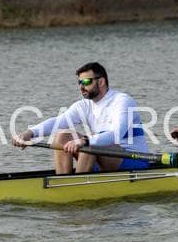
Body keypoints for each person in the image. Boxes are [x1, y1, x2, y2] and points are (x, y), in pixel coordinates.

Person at [12, 62, 149, 175]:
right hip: (100, 157)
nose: (82, 87)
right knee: (63, 135)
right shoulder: (84, 105)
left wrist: (85, 141)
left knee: (91, 143)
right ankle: (63, 181)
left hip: (132, 160)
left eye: (86, 82)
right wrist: (29, 133)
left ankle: (76, 186)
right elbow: (57, 122)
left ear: (101, 81)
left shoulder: (122, 101)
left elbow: (117, 134)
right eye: (79, 82)